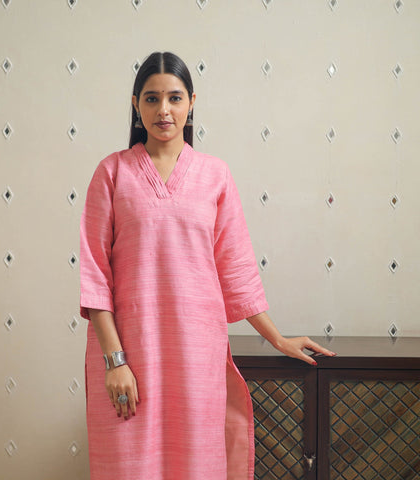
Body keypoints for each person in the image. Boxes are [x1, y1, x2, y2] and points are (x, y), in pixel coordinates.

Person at [79, 51, 335, 480]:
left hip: (195, 354)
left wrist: (277, 338)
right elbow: (95, 274)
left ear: (192, 103)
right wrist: (115, 361)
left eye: (175, 98)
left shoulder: (215, 175)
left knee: (194, 464)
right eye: (152, 98)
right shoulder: (112, 173)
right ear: (136, 105)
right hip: (130, 354)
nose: (164, 110)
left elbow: (235, 269)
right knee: (129, 466)